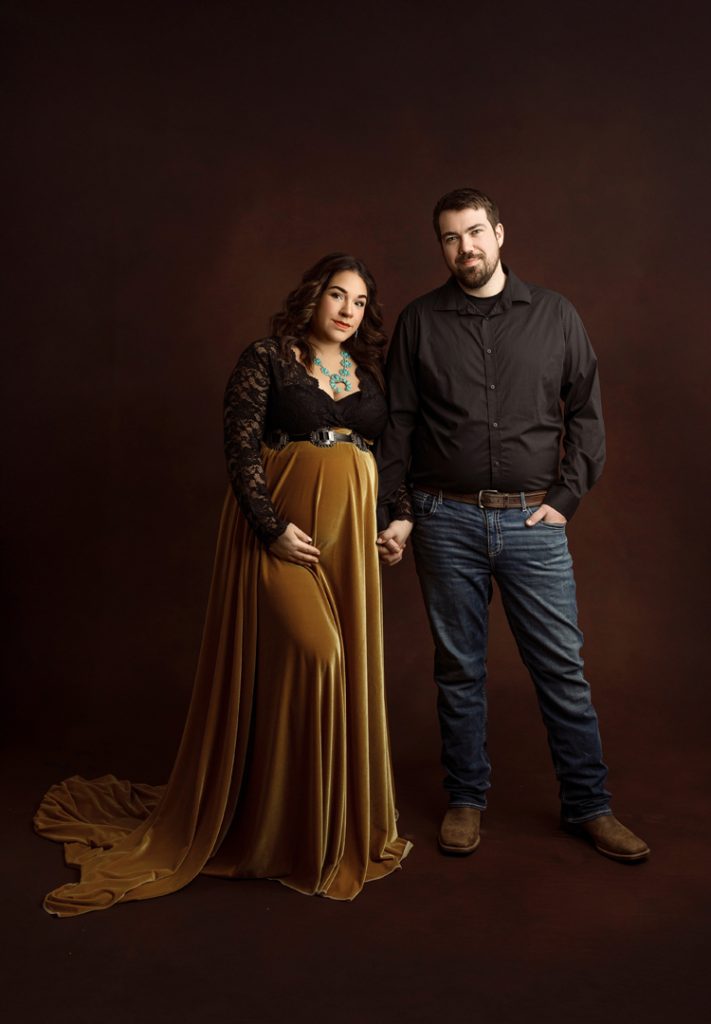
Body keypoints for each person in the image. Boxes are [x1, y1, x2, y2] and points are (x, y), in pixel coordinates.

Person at [35, 252, 412, 916]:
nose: (348, 309)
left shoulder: (367, 374)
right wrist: (269, 527)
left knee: (334, 669)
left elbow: (381, 458)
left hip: (350, 541)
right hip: (281, 532)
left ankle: (312, 830)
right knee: (317, 656)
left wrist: (393, 521)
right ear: (312, 297)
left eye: (359, 300)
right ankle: (272, 826)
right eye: (337, 295)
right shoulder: (266, 356)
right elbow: (238, 448)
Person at [376, 188, 649, 863]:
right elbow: (396, 427)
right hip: (443, 520)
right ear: (439, 247)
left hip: (534, 522)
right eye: (448, 237)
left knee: (560, 669)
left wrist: (566, 496)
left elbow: (585, 411)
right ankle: (466, 800)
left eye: (474, 232)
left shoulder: (554, 315)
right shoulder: (418, 322)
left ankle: (588, 806)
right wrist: (399, 512)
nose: (463, 247)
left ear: (499, 233)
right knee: (458, 670)